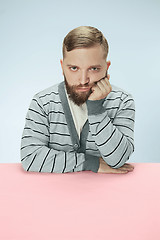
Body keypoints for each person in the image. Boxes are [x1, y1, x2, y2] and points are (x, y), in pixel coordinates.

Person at [20, 26, 135, 174]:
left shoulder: (122, 101)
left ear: (107, 68)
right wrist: (89, 162)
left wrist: (96, 109)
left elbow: (118, 160)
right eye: (74, 68)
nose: (83, 80)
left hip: (105, 193)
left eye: (93, 69)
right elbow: (31, 157)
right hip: (52, 192)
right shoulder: (43, 102)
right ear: (62, 67)